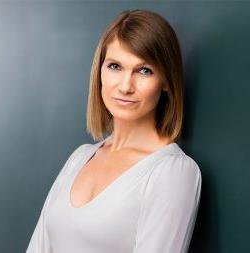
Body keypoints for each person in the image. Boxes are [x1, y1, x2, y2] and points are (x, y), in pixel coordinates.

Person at [26, 9, 202, 253]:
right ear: (100, 71)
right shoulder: (80, 158)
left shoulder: (171, 172)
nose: (125, 86)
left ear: (166, 82)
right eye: (115, 66)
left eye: (144, 71)